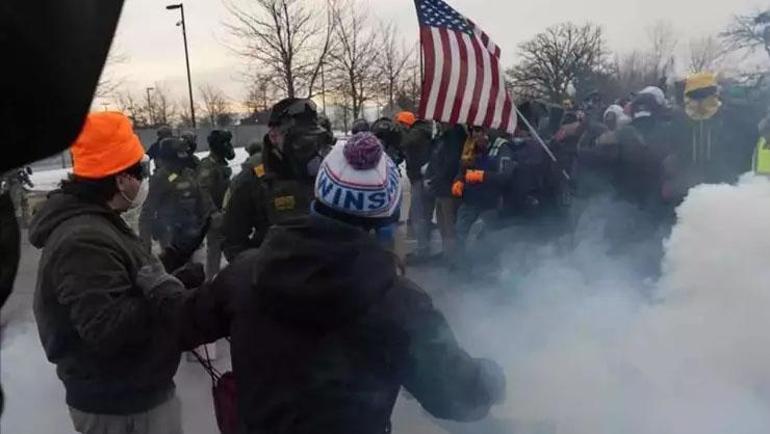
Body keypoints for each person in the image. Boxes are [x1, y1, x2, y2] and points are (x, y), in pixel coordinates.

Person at [135, 133, 507, 433]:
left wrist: (160, 281)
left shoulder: (247, 272)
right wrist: (490, 378)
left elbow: (180, 322)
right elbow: (461, 399)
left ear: (318, 200)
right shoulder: (403, 305)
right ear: (387, 220)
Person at [28, 112, 205, 434]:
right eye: (141, 170)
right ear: (120, 179)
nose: (144, 178)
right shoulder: (83, 239)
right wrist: (166, 290)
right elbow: (106, 328)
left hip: (133, 391)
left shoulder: (98, 221)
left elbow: (124, 281)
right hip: (120, 403)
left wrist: (171, 263)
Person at [222, 98, 327, 261]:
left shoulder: (327, 171)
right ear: (273, 136)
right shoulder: (252, 180)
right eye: (300, 140)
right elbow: (233, 243)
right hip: (275, 278)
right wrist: (260, 271)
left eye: (313, 139)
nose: (309, 147)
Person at [451, 126, 516, 271]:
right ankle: (463, 267)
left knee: (483, 235)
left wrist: (482, 176)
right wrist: (458, 181)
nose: (475, 134)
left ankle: (488, 269)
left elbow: (505, 176)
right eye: (473, 130)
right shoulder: (471, 147)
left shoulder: (502, 147)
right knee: (460, 230)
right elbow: (462, 169)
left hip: (491, 202)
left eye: (479, 130)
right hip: (470, 200)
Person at [139, 136, 212, 254]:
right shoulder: (160, 179)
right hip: (170, 233)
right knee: (175, 267)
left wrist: (204, 222)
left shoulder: (189, 174)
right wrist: (145, 245)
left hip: (191, 229)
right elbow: (147, 213)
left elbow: (200, 199)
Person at [424, 124, 467, 263]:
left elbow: (451, 163)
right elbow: (434, 159)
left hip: (449, 187)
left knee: (449, 224)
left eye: (441, 121)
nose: (438, 123)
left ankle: (453, 256)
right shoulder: (442, 138)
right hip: (439, 187)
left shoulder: (455, 138)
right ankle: (446, 252)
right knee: (442, 222)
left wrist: (436, 178)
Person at [198, 130, 235, 278]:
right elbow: (202, 191)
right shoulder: (208, 166)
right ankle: (210, 285)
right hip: (216, 217)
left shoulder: (220, 164)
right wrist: (213, 213)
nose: (229, 147)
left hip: (227, 214)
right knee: (214, 253)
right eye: (226, 143)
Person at [402, 116, 436, 262]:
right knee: (424, 214)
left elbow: (405, 143)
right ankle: (424, 248)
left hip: (420, 179)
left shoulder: (417, 132)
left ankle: (422, 252)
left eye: (401, 124)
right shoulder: (423, 131)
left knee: (419, 214)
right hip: (424, 178)